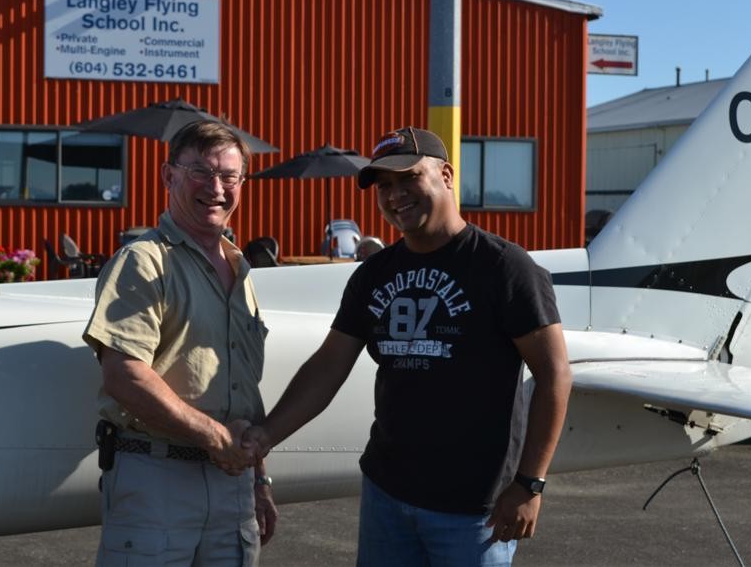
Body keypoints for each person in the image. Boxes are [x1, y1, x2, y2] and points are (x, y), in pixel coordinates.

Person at [244, 126, 572, 566]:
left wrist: (531, 483)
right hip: (387, 495)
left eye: (408, 179)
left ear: (447, 175)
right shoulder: (373, 274)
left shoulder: (504, 267)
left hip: (473, 509)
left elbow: (554, 375)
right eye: (384, 186)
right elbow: (328, 367)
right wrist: (265, 436)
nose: (395, 196)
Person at [83, 120, 277, 566]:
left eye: (230, 176)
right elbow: (124, 375)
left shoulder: (239, 269)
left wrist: (258, 481)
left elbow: (242, 389)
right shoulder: (143, 262)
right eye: (201, 173)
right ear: (168, 176)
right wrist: (215, 437)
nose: (217, 188)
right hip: (158, 478)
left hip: (232, 483)